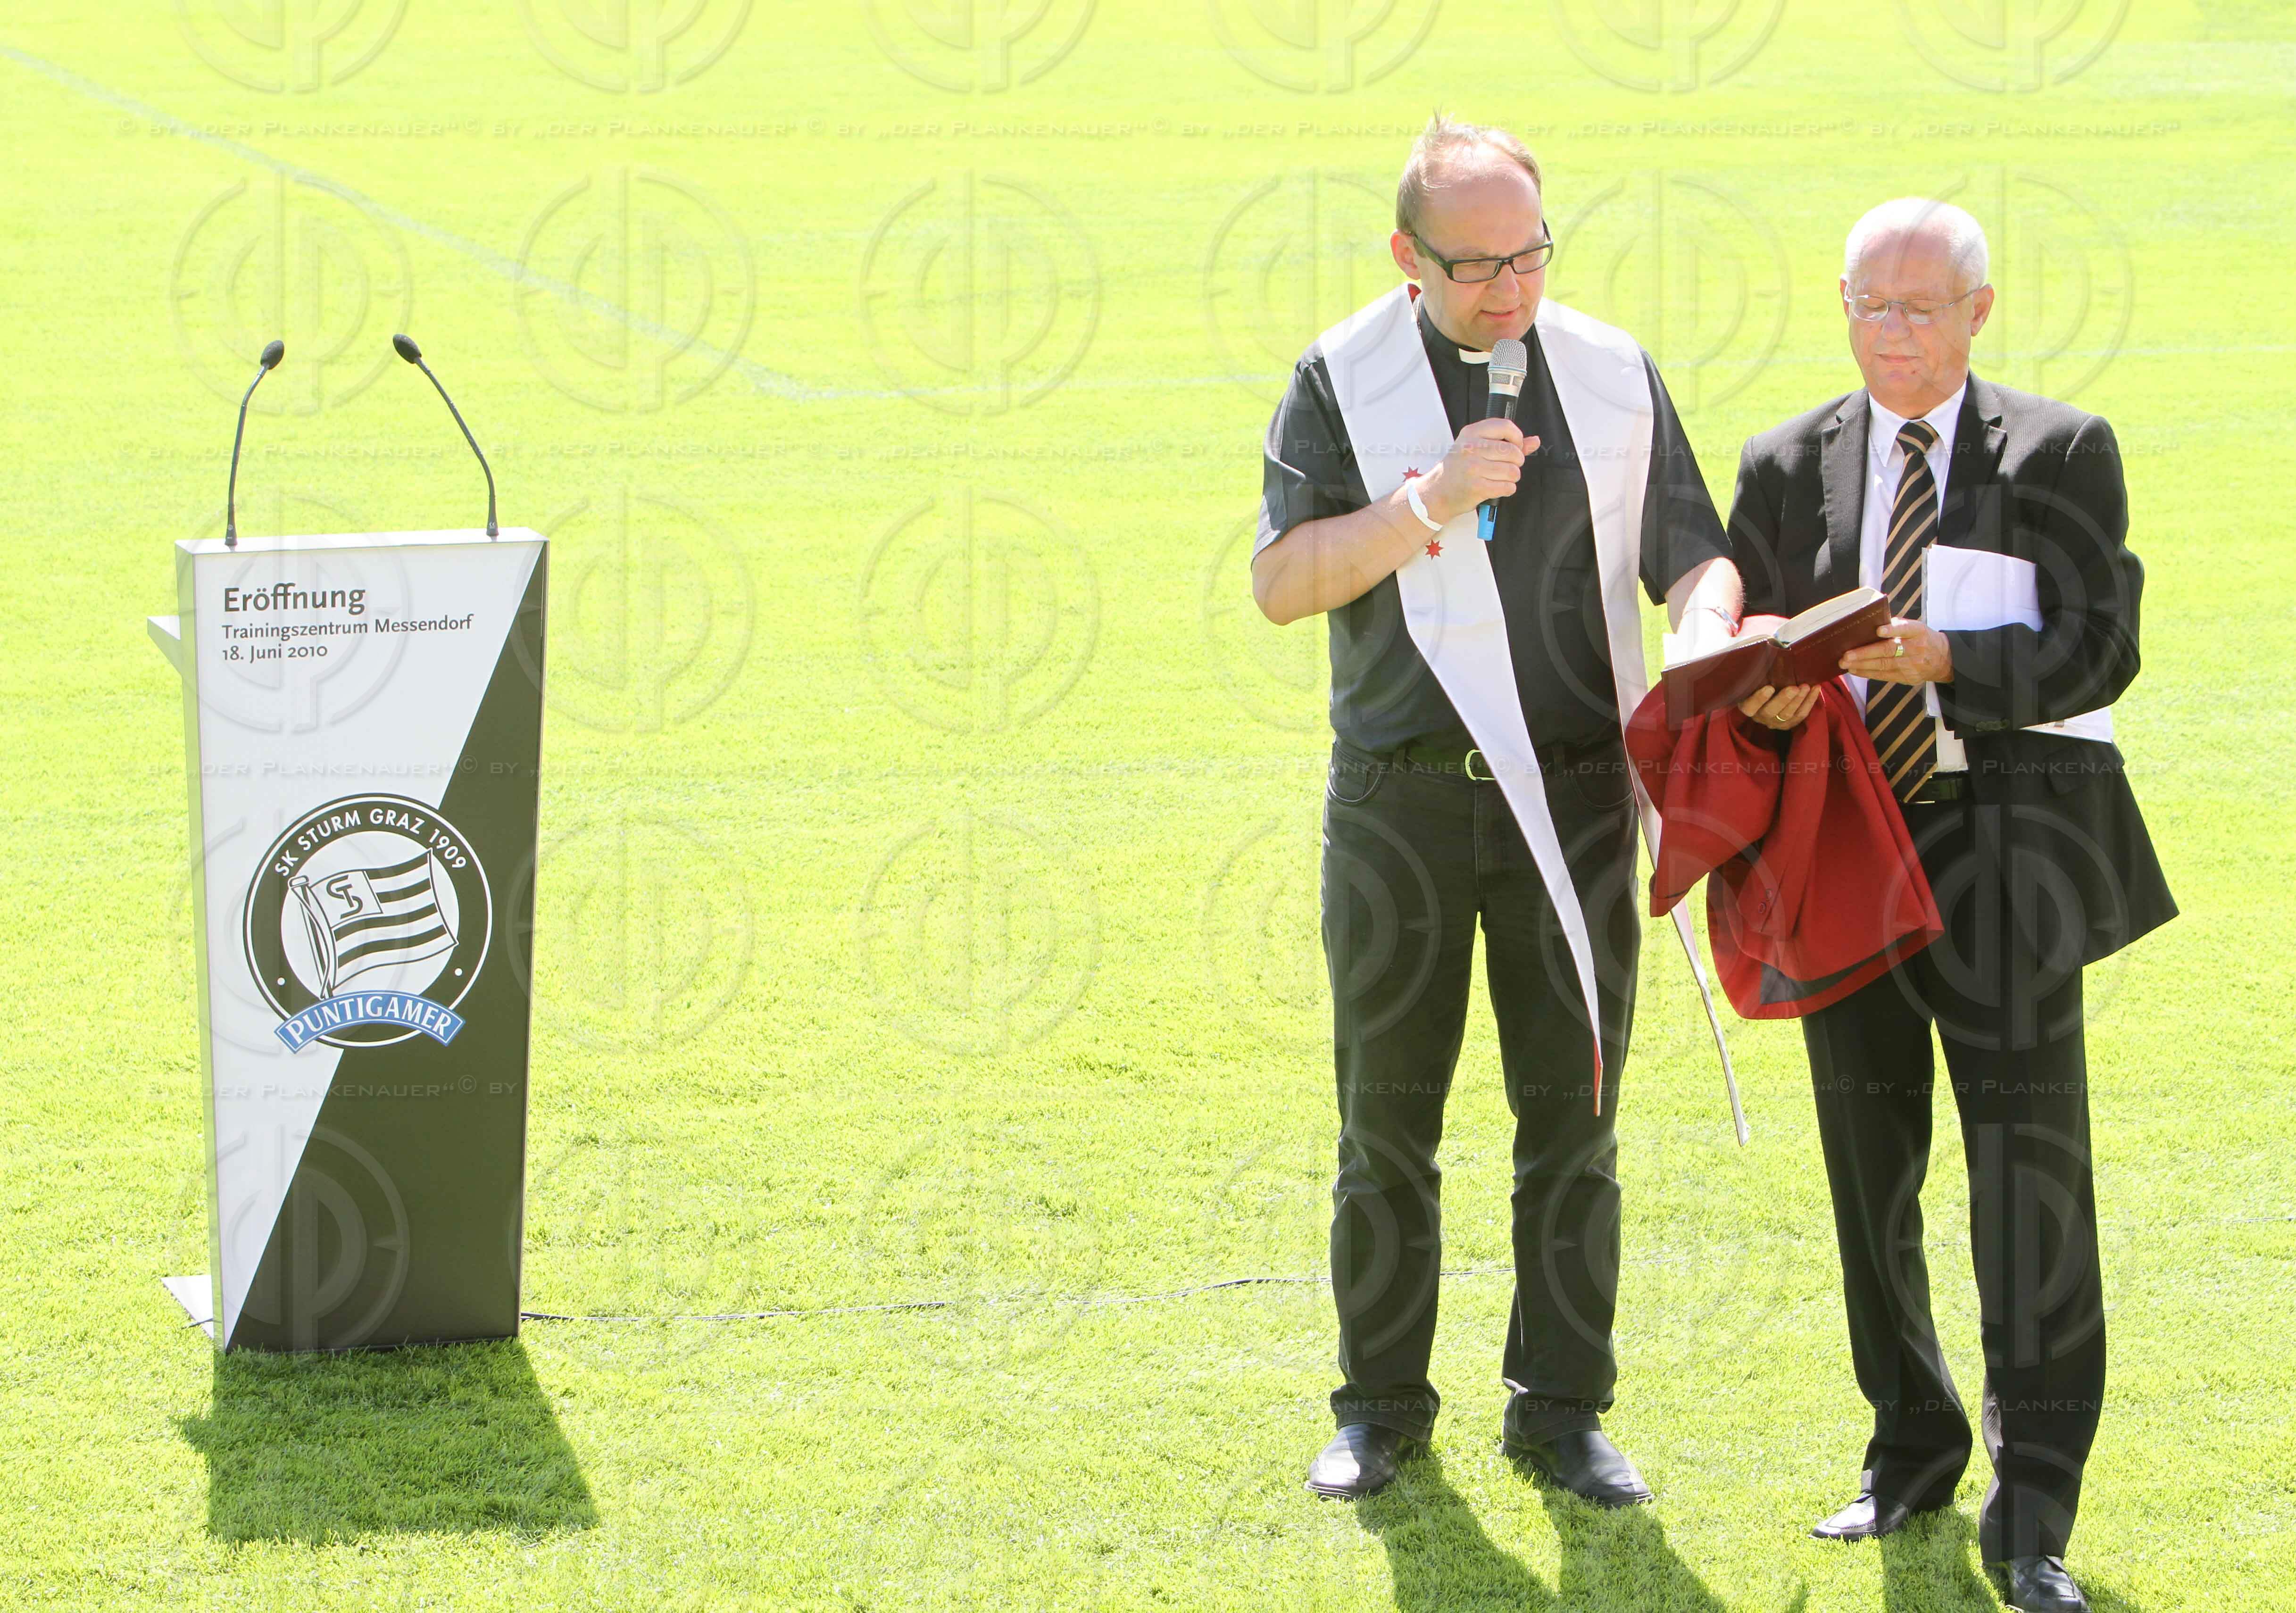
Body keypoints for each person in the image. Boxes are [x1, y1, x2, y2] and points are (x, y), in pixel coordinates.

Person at [1251, 113, 1746, 1505]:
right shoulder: (1341, 377)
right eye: (1474, 266)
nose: (1508, 289)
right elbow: (1283, 584)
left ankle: (1562, 1410)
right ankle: (1379, 1410)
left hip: (1577, 805)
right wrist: (1426, 501)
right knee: (1386, 1127)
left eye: (1528, 255)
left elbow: (1695, 554)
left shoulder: (1610, 370)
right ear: (1406, 256)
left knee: (1572, 1123)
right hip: (1399, 805)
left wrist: (1707, 630)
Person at [1726, 198, 2176, 1613]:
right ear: (1842, 304)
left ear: (1978, 312)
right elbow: (1743, 656)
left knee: (2029, 1193)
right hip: (1845, 859)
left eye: (1921, 308)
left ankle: (2031, 1511)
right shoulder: (1783, 461)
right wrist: (1762, 689)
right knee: (1871, 1178)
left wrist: (1947, 660)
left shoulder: (2060, 450)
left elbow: (2103, 645)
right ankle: (1909, 1453)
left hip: (2007, 861)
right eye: (1871, 304)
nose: (1894, 332)